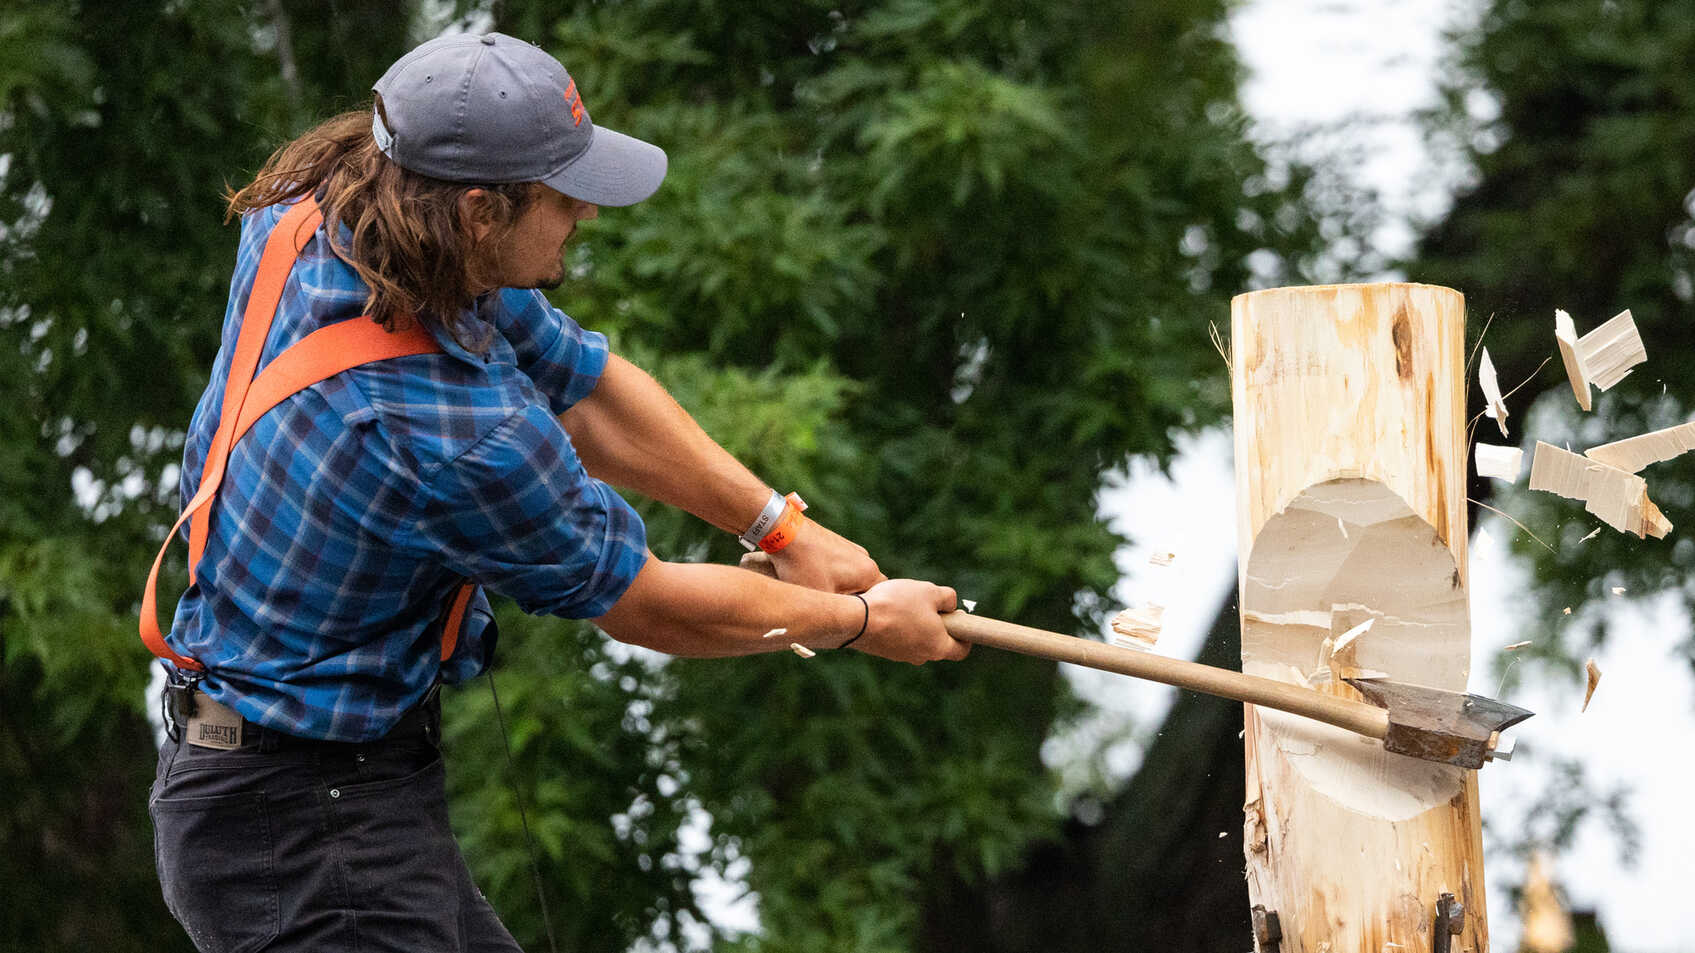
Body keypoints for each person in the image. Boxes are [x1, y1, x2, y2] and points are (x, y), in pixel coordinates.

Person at [144, 31, 968, 953]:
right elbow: (649, 605)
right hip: (293, 835)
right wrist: (859, 624)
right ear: (478, 211)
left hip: (330, 788)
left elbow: (586, 391)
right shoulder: (452, 431)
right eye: (564, 194)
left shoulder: (337, 208)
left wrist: (781, 528)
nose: (586, 212)